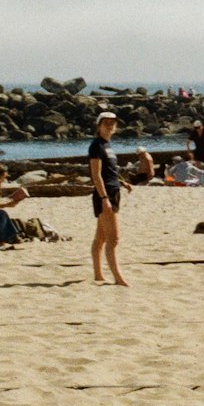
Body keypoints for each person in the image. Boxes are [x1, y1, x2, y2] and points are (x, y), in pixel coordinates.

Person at [88, 111, 128, 286]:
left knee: (101, 237)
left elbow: (109, 171)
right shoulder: (96, 145)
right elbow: (96, 174)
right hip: (105, 194)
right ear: (99, 126)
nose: (110, 126)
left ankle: (98, 274)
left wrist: (122, 182)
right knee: (114, 238)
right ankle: (118, 278)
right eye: (106, 123)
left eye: (112, 123)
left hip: (113, 191)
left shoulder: (107, 145)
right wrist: (104, 197)